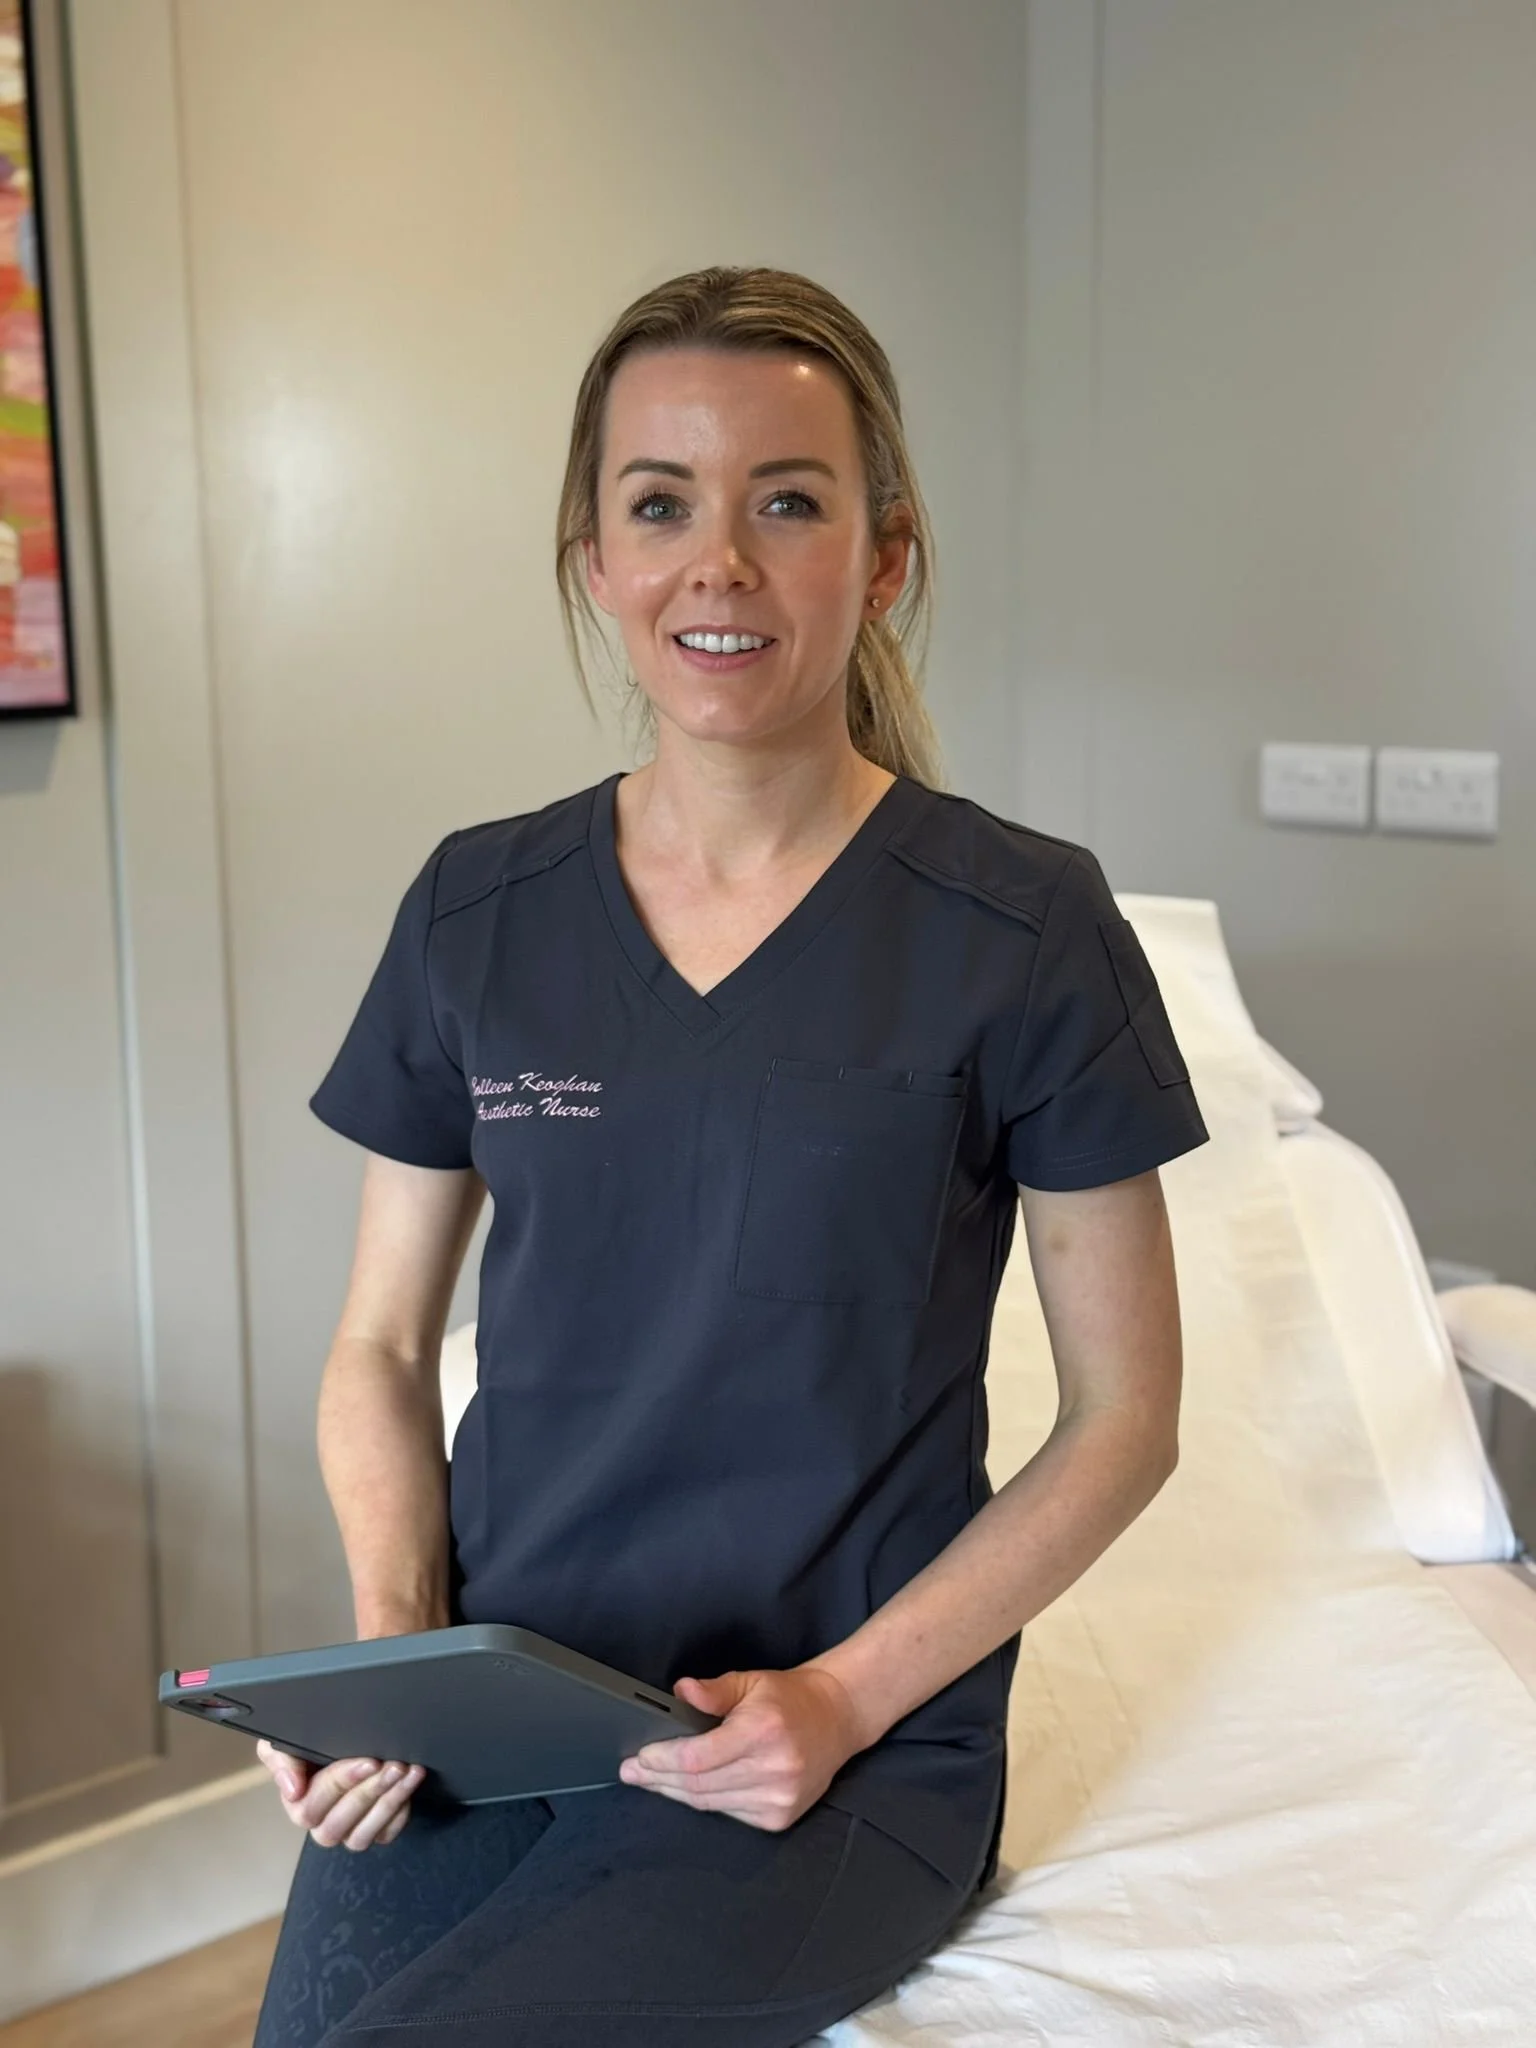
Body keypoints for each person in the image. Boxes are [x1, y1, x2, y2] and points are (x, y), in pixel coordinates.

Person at [252, 264, 1209, 2048]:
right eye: (659, 505)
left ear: (885, 558)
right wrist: (397, 1648)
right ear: (592, 563)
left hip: (842, 1746)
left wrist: (844, 1698)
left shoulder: (1023, 927)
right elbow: (379, 1347)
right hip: (506, 1700)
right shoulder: (476, 909)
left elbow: (1126, 1418)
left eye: (787, 502)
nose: (720, 564)